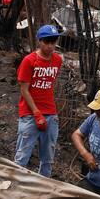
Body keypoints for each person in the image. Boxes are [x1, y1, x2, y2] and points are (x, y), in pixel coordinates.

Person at [14, 25, 63, 177]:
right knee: (22, 156)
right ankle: (14, 185)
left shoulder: (57, 60)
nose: (50, 46)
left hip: (50, 114)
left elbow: (50, 85)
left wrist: (48, 113)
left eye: (53, 42)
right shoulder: (29, 61)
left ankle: (43, 187)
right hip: (30, 114)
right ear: (39, 42)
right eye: (47, 42)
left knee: (48, 157)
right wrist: (36, 112)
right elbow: (24, 89)